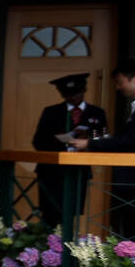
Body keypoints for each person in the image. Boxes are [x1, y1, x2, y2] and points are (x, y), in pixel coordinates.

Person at [69, 62, 135, 248]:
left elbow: (132, 138)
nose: (118, 88)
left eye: (120, 82)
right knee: (133, 236)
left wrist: (90, 144)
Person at [31, 73, 108, 231]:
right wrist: (64, 141)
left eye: (76, 94)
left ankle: (68, 248)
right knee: (51, 215)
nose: (73, 98)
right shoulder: (51, 112)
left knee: (72, 214)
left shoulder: (97, 113)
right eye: (68, 95)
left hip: (79, 171)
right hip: (52, 173)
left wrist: (89, 142)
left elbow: (104, 141)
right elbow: (38, 142)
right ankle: (49, 250)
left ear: (84, 90)